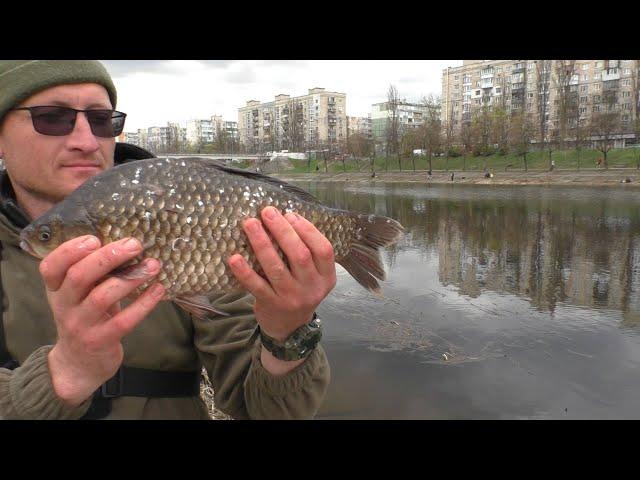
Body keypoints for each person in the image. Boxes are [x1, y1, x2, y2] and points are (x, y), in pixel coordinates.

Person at [0, 60, 331, 420]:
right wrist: (64, 374)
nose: (85, 140)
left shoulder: (185, 222)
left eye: (101, 120)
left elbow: (265, 412)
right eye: (51, 117)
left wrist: (288, 334)